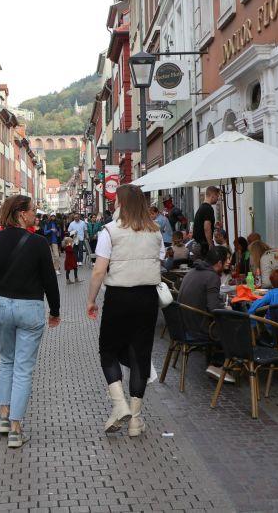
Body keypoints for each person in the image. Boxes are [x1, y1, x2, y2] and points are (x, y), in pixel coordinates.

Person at [0, 195, 60, 449]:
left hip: (0, 307)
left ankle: (4, 418)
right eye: (33, 211)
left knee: (7, 362)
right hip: (29, 309)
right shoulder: (38, 243)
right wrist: (55, 310)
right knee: (23, 369)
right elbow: (49, 280)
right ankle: (16, 429)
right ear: (22, 214)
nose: (36, 215)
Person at [85, 185, 164, 437]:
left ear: (121, 203)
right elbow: (159, 259)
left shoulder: (110, 231)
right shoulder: (155, 231)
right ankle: (135, 421)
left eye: (116, 200)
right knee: (140, 354)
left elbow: (99, 270)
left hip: (119, 296)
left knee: (108, 350)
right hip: (147, 298)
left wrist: (91, 299)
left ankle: (120, 405)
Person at [178, 246, 232, 383]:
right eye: (227, 259)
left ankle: (215, 362)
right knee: (235, 327)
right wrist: (227, 309)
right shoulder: (212, 277)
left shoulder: (192, 271)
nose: (229, 262)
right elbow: (214, 308)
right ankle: (219, 365)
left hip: (184, 325)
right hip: (198, 328)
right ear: (219, 263)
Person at [192, 186, 220, 256]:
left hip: (197, 244)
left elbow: (201, 225)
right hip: (203, 245)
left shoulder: (202, 207)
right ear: (213, 196)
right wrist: (210, 244)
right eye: (217, 196)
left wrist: (214, 226)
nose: (218, 198)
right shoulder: (208, 209)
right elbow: (207, 228)